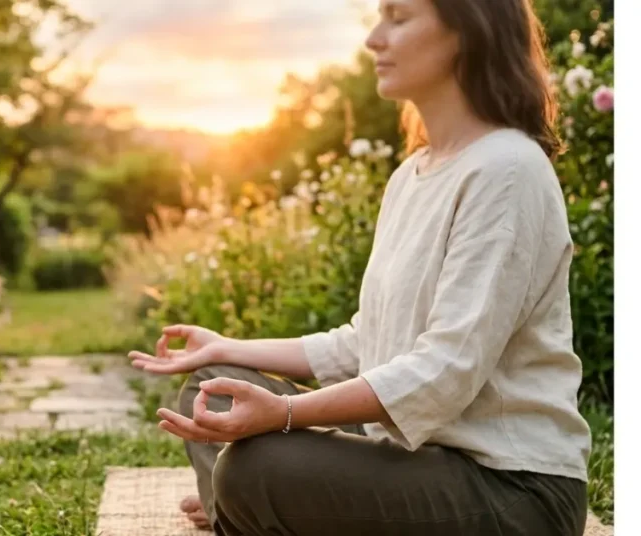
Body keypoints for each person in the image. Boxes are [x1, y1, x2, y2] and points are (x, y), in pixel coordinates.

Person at [127, 0, 593, 534]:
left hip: (510, 488)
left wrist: (284, 415)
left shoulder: (507, 170)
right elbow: (365, 342)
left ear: (467, 32)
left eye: (398, 18)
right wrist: (225, 348)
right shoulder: (413, 175)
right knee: (215, 385)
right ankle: (243, 509)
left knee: (254, 467)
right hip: (415, 459)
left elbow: (444, 371)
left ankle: (242, 504)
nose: (374, 39)